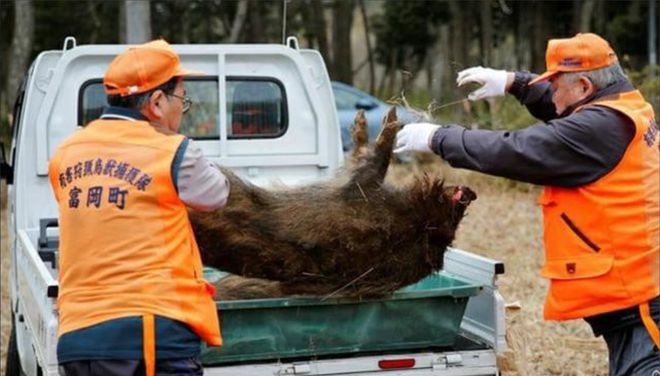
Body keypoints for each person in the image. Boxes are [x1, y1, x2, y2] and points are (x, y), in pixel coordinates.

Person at [395, 33, 659, 375]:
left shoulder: (601, 127)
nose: (551, 94)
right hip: (638, 288)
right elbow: (563, 107)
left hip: (639, 297)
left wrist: (437, 137)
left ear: (582, 86)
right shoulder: (625, 103)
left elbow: (517, 149)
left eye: (554, 85)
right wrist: (514, 83)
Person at [48, 40, 230, 376]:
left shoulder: (65, 154)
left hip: (77, 339)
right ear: (158, 102)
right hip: (151, 337)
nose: (182, 109)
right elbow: (216, 194)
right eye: (182, 99)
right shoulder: (173, 152)